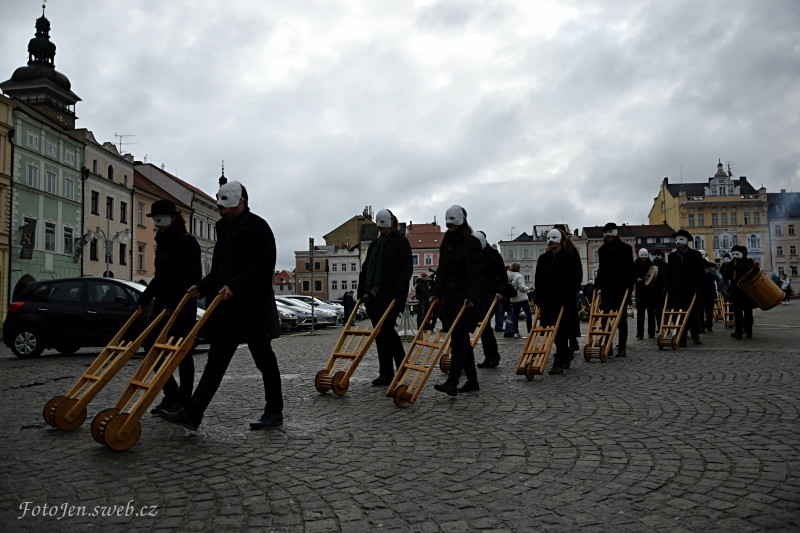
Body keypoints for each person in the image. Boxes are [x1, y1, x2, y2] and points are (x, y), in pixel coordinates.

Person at [162, 180, 285, 431]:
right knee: (216, 360)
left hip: (252, 308)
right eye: (219, 202)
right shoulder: (224, 229)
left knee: (264, 360)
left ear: (241, 201)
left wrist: (236, 286)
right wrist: (202, 286)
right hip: (228, 310)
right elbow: (219, 270)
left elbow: (263, 266)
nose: (220, 208)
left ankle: (274, 411)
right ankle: (193, 413)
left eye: (225, 203)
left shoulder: (258, 227)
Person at [138, 199, 201, 415]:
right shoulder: (162, 242)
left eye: (162, 219)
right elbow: (159, 277)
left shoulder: (187, 241)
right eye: (155, 220)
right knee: (151, 347)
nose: (158, 224)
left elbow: (193, 277)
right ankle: (171, 394)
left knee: (181, 353)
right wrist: (145, 297)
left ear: (174, 217)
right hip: (163, 305)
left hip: (181, 306)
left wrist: (175, 300)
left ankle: (184, 399)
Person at [357, 209, 413, 386]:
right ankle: (386, 373)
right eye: (379, 228)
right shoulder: (374, 244)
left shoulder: (400, 242)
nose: (381, 231)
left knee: (388, 331)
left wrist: (399, 292)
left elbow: (406, 269)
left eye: (384, 227)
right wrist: (361, 292)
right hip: (374, 296)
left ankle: (402, 367)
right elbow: (366, 269)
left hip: (391, 296)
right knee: (380, 335)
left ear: (391, 223)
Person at [432, 205, 483, 396]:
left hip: (466, 299)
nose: (450, 227)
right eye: (448, 225)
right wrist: (436, 293)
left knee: (459, 339)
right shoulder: (447, 243)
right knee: (461, 340)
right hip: (451, 298)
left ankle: (452, 381)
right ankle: (472, 381)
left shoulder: (471, 243)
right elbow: (442, 271)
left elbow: (477, 274)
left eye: (453, 224)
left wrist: (470, 296)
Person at [534, 228, 582, 374]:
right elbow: (538, 280)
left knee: (562, 331)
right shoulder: (543, 259)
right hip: (548, 301)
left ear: (561, 241)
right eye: (549, 242)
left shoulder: (570, 257)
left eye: (554, 241)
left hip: (564, 300)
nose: (551, 244)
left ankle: (559, 361)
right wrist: (539, 298)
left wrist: (570, 294)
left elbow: (576, 277)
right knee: (552, 331)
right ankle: (565, 353)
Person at [594, 222, 634, 356]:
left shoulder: (625, 248)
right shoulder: (602, 250)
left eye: (610, 233)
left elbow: (629, 268)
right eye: (605, 234)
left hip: (621, 288)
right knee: (605, 318)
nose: (607, 237)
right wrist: (597, 286)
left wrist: (630, 286)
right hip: (607, 288)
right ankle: (608, 344)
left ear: (615, 234)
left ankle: (621, 347)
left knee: (621, 319)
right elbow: (601, 269)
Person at [663, 229, 704, 346]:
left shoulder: (695, 255)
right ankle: (682, 335)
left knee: (693, 313)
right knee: (678, 313)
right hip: (677, 289)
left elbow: (700, 272)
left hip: (691, 288)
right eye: (676, 240)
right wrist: (666, 286)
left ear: (686, 241)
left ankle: (695, 335)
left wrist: (699, 286)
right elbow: (669, 273)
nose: (677, 242)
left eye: (680, 240)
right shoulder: (672, 256)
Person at [473, 231, 506, 369]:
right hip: (478, 293)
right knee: (482, 324)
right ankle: (490, 356)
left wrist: (500, 291)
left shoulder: (493, 255)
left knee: (484, 323)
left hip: (492, 294)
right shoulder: (473, 254)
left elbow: (502, 275)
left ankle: (493, 356)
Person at [720, 245, 756, 339]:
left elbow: (754, 273)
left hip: (747, 291)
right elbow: (725, 276)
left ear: (743, 254)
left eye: (737, 254)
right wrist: (732, 269)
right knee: (737, 312)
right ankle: (738, 332)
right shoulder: (730, 264)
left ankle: (749, 331)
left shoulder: (748, 262)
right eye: (733, 254)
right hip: (735, 291)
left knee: (748, 312)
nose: (735, 256)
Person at [633, 247, 657, 340]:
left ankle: (651, 333)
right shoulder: (635, 265)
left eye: (645, 256)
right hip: (640, 291)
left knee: (651, 313)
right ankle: (640, 333)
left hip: (650, 291)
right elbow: (633, 275)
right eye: (642, 256)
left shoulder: (651, 265)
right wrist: (636, 279)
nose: (644, 258)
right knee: (640, 313)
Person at [505, 263, 532, 338]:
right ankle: (530, 331)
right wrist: (528, 288)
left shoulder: (508, 276)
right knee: (528, 314)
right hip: (522, 298)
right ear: (518, 268)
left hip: (513, 299)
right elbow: (521, 287)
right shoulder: (518, 276)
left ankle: (515, 332)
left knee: (515, 316)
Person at [699, 249, 722, 332]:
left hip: (709, 290)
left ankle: (709, 325)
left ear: (705, 256)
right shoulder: (694, 266)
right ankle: (702, 325)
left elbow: (717, 277)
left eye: (702, 254)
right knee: (700, 309)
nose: (700, 256)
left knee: (709, 309)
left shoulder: (711, 265)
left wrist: (710, 272)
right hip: (699, 290)